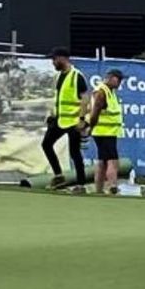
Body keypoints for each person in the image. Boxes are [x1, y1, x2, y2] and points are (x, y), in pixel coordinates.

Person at [41, 48, 89, 188]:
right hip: (60, 120)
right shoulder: (60, 76)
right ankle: (58, 175)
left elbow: (85, 99)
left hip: (74, 122)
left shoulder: (77, 76)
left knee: (75, 153)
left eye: (54, 59)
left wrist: (82, 120)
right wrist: (53, 115)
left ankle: (81, 185)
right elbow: (60, 99)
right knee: (46, 144)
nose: (53, 62)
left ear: (63, 58)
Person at [87, 69, 124, 195]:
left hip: (107, 131)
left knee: (102, 161)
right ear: (112, 78)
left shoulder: (109, 91)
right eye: (119, 80)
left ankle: (99, 189)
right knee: (112, 160)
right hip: (104, 132)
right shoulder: (102, 92)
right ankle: (113, 186)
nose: (120, 83)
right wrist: (90, 127)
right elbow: (95, 112)